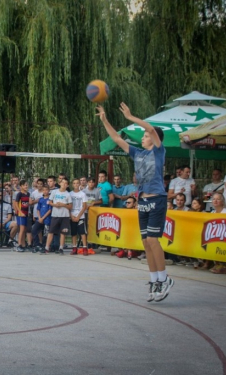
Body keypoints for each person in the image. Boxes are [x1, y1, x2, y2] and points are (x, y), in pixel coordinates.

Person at [97, 102, 174, 303]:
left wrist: (131, 117)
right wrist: (105, 120)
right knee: (146, 243)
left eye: (147, 135)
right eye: (145, 135)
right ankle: (154, 280)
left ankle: (165, 279)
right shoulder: (137, 154)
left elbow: (149, 128)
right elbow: (115, 138)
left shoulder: (158, 151)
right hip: (143, 201)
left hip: (157, 199)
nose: (144, 136)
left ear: (154, 139)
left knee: (153, 240)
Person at [44, 177, 72, 255]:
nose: (64, 184)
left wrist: (63, 205)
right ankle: (47, 247)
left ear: (67, 185)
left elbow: (70, 206)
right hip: (55, 215)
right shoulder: (54, 192)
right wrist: (55, 205)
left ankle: (61, 248)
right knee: (51, 231)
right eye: (62, 182)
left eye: (66, 183)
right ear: (59, 183)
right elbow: (49, 202)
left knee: (63, 232)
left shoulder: (68, 194)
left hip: (65, 216)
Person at [69, 178, 88, 256]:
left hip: (80, 216)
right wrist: (72, 216)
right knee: (74, 233)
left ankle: (84, 248)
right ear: (72, 184)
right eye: (74, 183)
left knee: (82, 233)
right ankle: (74, 248)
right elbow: (68, 206)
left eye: (77, 183)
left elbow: (84, 206)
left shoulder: (82, 194)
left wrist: (78, 216)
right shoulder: (70, 194)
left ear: (79, 184)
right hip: (72, 216)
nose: (76, 184)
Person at [31, 185, 52, 253]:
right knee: (34, 229)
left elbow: (50, 210)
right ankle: (37, 245)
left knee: (45, 233)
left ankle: (44, 246)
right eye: (44, 190)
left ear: (49, 191)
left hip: (47, 219)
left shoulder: (50, 200)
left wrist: (43, 218)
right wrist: (39, 217)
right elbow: (38, 209)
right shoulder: (40, 199)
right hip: (40, 219)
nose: (45, 191)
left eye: (46, 190)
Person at [13, 179, 30, 252]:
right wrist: (20, 212)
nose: (26, 186)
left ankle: (23, 244)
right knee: (21, 229)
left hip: (26, 213)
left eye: (27, 185)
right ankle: (19, 244)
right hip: (21, 214)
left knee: (25, 229)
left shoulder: (28, 194)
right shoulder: (19, 194)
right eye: (24, 185)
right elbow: (16, 204)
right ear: (21, 186)